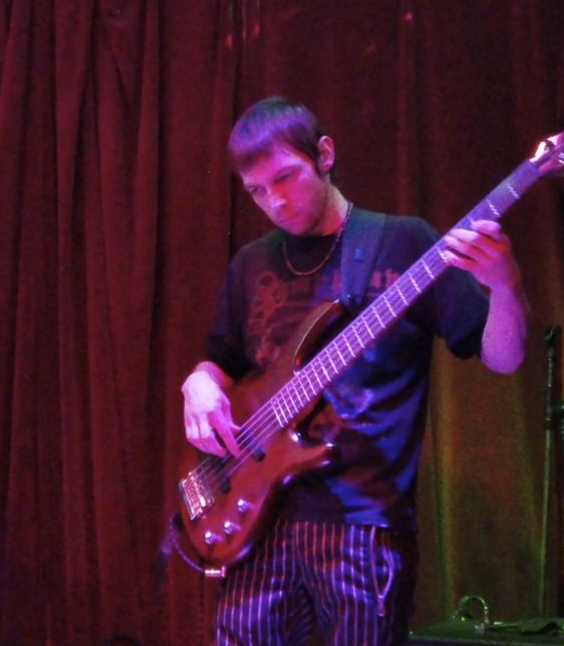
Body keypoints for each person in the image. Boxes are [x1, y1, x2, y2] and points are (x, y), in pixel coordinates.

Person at [180, 97, 528, 646]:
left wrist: (504, 287)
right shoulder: (250, 264)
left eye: (285, 178)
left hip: (364, 525)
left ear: (324, 154)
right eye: (256, 191)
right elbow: (220, 361)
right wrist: (198, 383)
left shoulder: (404, 243)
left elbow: (503, 357)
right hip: (260, 522)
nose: (274, 201)